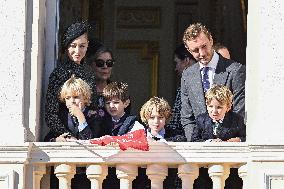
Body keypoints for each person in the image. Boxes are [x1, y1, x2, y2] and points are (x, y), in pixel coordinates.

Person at [181, 22, 246, 141]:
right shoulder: (187, 75)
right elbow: (187, 117)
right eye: (195, 50)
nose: (202, 53)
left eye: (204, 46)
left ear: (211, 40)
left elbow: (239, 113)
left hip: (229, 149)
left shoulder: (235, 70)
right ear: (188, 50)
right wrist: (196, 145)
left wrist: (223, 143)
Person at [45, 21, 98, 141]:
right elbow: (51, 114)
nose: (77, 51)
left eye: (82, 46)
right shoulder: (58, 74)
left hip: (87, 135)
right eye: (73, 46)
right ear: (66, 46)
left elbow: (93, 107)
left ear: (87, 45)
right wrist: (67, 136)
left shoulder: (89, 73)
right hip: (62, 138)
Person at [44, 75, 107, 142]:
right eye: (68, 98)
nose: (72, 101)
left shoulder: (95, 116)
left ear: (85, 98)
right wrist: (56, 140)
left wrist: (80, 116)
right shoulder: (62, 115)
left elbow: (90, 140)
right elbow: (47, 139)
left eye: (76, 97)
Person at [166, 44, 196, 142]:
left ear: (186, 61)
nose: (176, 68)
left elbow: (176, 122)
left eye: (177, 62)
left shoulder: (189, 85)